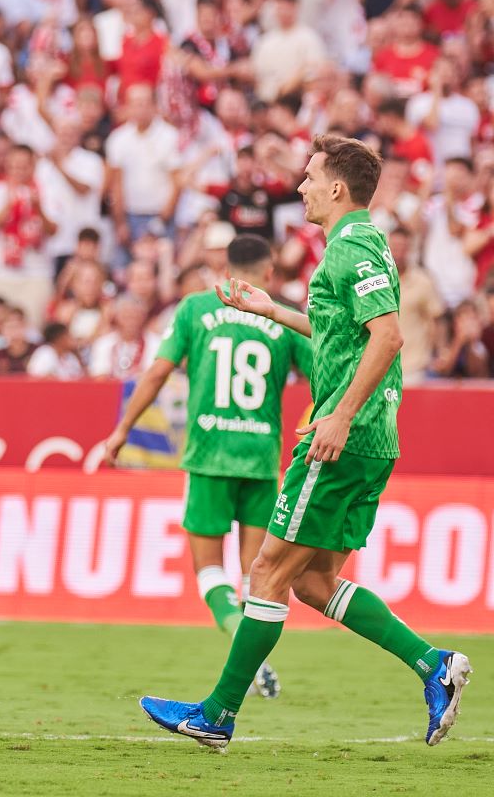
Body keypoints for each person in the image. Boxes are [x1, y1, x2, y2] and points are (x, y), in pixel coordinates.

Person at [140, 135, 472, 749]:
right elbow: (343, 328)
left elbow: (388, 336)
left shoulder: (354, 247)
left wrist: (341, 414)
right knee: (314, 582)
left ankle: (217, 715)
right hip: (370, 437)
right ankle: (436, 667)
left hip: (344, 436)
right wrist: (274, 310)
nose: (301, 188)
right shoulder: (355, 247)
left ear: (338, 188)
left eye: (311, 177)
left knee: (265, 570)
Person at [101, 234, 313, 699]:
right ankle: (249, 655)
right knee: (256, 577)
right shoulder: (280, 316)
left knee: (208, 572)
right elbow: (324, 378)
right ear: (269, 271)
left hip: (208, 457)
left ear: (224, 266)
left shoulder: (196, 309)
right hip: (260, 460)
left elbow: (157, 371)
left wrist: (121, 431)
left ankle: (237, 633)